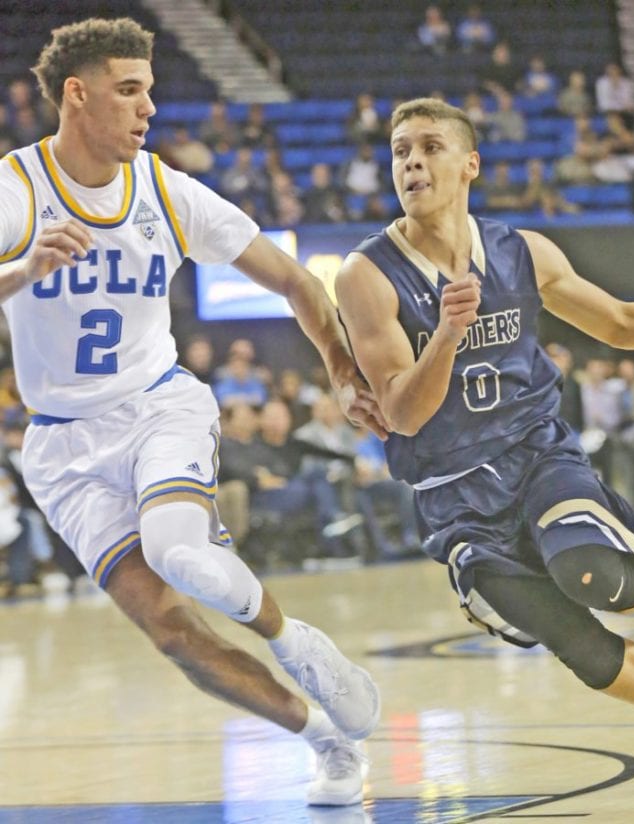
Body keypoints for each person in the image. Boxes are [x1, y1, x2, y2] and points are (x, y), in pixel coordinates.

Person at [335, 98, 634, 792]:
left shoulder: (522, 252)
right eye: (400, 151)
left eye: (429, 147)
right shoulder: (365, 276)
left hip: (536, 455)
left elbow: (620, 321)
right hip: (453, 497)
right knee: (581, 649)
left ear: (470, 165)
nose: (412, 163)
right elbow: (401, 412)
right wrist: (450, 337)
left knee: (586, 568)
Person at [0, 19, 386, 806]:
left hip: (156, 409)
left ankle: (299, 644)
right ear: (77, 95)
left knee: (182, 554)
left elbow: (298, 284)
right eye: (129, 90)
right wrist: (22, 267)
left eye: (150, 89)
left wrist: (343, 369)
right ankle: (325, 740)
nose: (148, 108)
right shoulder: (16, 190)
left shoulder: (166, 190)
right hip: (60, 446)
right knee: (174, 633)